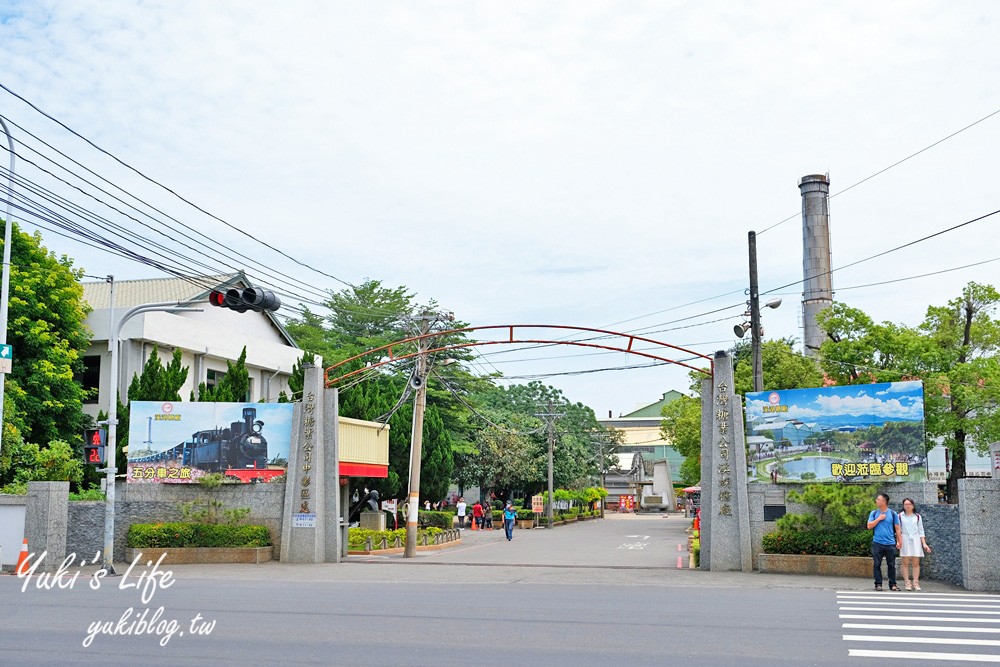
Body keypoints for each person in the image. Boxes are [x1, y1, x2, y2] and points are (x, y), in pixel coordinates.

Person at [867, 492, 902, 591]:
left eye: (878, 499)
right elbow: (869, 526)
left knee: (891, 565)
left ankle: (893, 584)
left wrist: (899, 541)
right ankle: (878, 584)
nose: (876, 501)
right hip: (877, 543)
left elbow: (898, 528)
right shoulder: (874, 513)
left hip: (890, 543)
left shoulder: (893, 514)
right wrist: (878, 519)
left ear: (884, 501)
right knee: (876, 564)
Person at [899, 498, 932, 590]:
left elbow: (921, 531)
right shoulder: (900, 516)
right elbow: (898, 530)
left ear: (913, 505)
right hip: (904, 539)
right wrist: (899, 541)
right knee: (905, 562)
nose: (907, 506)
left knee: (916, 562)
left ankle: (916, 582)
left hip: (915, 540)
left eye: (909, 504)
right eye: (905, 504)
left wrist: (924, 544)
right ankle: (907, 582)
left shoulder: (917, 516)